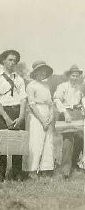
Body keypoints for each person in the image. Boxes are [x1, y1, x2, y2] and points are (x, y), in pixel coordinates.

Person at [23, 61, 54, 178]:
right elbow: (32, 104)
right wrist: (42, 120)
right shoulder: (31, 85)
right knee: (35, 142)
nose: (42, 73)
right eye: (40, 71)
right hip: (36, 116)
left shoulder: (46, 86)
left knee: (48, 142)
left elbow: (50, 103)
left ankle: (45, 168)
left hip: (47, 114)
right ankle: (32, 170)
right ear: (35, 72)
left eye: (44, 71)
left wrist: (50, 116)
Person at [0, 50, 27, 181]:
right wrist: (5, 117)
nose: (12, 63)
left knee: (18, 144)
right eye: (10, 60)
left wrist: (21, 116)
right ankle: (1, 175)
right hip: (3, 112)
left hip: (18, 112)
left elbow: (23, 99)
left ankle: (17, 175)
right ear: (3, 60)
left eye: (15, 61)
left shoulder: (19, 78)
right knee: (2, 146)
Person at [53, 65, 83, 178]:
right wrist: (65, 113)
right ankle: (65, 170)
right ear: (69, 75)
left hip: (77, 113)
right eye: (73, 75)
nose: (75, 78)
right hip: (66, 113)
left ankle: (74, 164)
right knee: (68, 141)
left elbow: (81, 101)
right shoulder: (62, 86)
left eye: (77, 76)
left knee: (80, 139)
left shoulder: (79, 88)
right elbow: (56, 99)